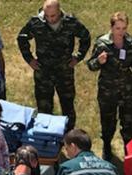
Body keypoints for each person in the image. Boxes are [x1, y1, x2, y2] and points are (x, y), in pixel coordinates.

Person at [17, 0, 90, 132]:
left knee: (67, 105)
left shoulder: (70, 22)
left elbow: (85, 37)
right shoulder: (36, 22)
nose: (50, 19)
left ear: (59, 12)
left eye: (53, 16)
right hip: (43, 71)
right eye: (47, 15)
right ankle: (47, 137)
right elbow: (22, 38)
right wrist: (29, 59)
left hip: (64, 71)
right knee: (44, 107)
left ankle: (69, 136)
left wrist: (78, 57)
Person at [87, 12, 132, 161]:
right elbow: (90, 65)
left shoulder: (130, 42)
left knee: (128, 121)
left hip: (127, 89)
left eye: (124, 28)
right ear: (111, 27)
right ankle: (106, 146)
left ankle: (128, 148)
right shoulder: (102, 44)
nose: (121, 32)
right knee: (108, 120)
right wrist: (99, 61)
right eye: (118, 28)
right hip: (108, 90)